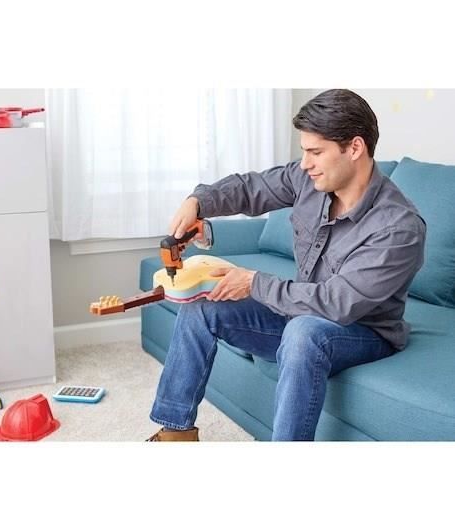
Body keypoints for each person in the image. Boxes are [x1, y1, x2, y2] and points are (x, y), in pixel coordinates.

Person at [146, 89, 426, 442]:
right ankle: (176, 434)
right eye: (304, 151)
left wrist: (254, 283)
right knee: (201, 307)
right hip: (301, 310)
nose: (305, 163)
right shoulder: (310, 181)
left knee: (304, 332)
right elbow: (251, 188)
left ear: (355, 148)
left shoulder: (398, 227)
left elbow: (337, 304)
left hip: (363, 332)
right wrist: (197, 203)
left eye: (315, 152)